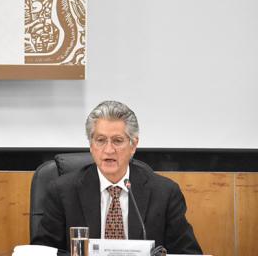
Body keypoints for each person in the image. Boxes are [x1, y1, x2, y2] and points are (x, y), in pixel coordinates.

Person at [31, 100, 202, 254]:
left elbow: (188, 254)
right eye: (100, 140)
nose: (108, 150)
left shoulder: (164, 193)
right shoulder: (63, 192)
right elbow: (42, 251)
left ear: (133, 145)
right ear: (91, 145)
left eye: (117, 141)